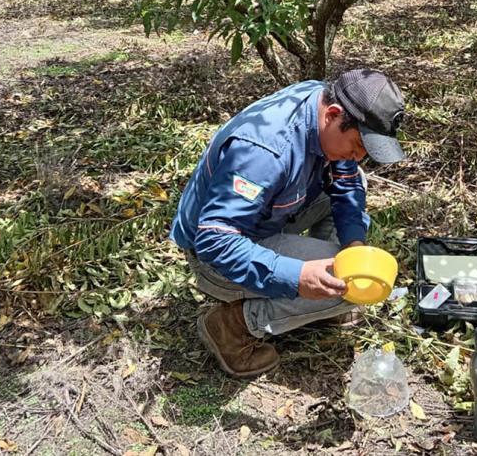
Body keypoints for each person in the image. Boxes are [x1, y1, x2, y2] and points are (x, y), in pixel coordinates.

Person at [169, 69, 407, 378]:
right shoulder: (264, 152)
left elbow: (347, 182)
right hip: (217, 257)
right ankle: (232, 327)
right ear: (333, 115)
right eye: (358, 145)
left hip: (267, 217)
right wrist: (297, 277)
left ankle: (313, 305)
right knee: (346, 284)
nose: (359, 156)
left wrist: (354, 244)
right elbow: (215, 242)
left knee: (353, 197)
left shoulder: (325, 102)